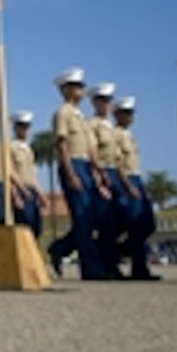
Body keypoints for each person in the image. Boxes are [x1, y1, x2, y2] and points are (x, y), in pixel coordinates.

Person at [47, 68, 108, 280]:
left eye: (81, 86)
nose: (81, 90)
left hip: (85, 165)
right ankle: (90, 268)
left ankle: (60, 248)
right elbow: (63, 145)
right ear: (65, 90)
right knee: (82, 220)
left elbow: (91, 148)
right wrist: (70, 173)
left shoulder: (81, 117)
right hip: (72, 163)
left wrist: (98, 172)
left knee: (91, 218)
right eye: (76, 86)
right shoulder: (62, 113)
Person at [112, 96, 159, 280]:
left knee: (147, 224)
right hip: (127, 180)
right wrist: (127, 185)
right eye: (125, 113)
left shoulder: (129, 136)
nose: (129, 117)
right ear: (117, 115)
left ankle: (123, 250)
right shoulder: (116, 134)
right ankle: (139, 268)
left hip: (137, 177)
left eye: (131, 113)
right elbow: (119, 164)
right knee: (136, 227)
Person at [86, 83, 122, 278]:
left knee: (116, 222)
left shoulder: (111, 127)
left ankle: (112, 263)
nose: (106, 105)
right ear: (94, 102)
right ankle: (107, 266)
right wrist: (98, 181)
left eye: (108, 101)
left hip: (114, 173)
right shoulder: (92, 125)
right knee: (105, 225)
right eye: (102, 101)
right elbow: (92, 155)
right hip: (102, 174)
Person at [10, 112, 45, 239]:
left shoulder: (28, 150)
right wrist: (15, 194)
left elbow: (33, 174)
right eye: (21, 126)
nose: (25, 130)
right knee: (23, 227)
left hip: (31, 191)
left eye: (27, 127)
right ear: (15, 128)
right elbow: (10, 173)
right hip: (20, 190)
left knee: (36, 227)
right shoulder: (11, 147)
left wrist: (41, 194)